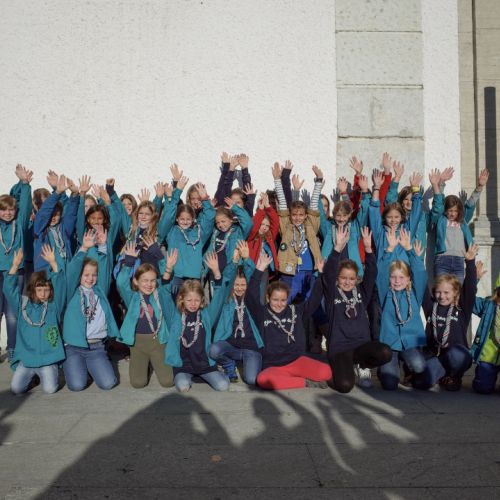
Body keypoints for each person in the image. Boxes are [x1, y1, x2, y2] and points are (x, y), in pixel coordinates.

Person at [245, 252, 332, 390]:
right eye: (275, 300)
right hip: (273, 365)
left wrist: (321, 275)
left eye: (283, 300)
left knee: (326, 372)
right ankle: (304, 382)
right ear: (268, 298)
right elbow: (250, 296)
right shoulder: (262, 313)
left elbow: (314, 300)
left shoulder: (296, 311)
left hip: (296, 361)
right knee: (263, 380)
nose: (279, 304)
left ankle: (288, 379)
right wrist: (259, 269)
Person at [322, 225, 392, 393]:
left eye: (351, 278)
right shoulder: (332, 294)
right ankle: (334, 370)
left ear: (356, 279)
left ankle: (362, 365)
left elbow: (371, 274)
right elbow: (328, 274)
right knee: (345, 386)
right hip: (340, 349)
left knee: (385, 352)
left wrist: (368, 250)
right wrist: (337, 249)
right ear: (337, 279)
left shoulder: (361, 293)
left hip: (361, 346)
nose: (347, 282)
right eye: (343, 278)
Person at [162, 249, 237, 392]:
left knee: (223, 386)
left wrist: (216, 273)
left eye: (196, 300)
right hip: (184, 366)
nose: (193, 304)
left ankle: (217, 373)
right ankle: (188, 378)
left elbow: (219, 297)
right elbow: (164, 295)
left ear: (202, 300)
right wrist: (168, 269)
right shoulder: (175, 315)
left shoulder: (206, 315)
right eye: (189, 300)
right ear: (182, 299)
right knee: (183, 386)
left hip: (204, 365)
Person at [417, 245, 479, 391]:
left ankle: (454, 376)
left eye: (446, 292)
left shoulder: (461, 309)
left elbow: (470, 289)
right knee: (421, 384)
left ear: (455, 293)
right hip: (437, 356)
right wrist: (417, 261)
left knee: (456, 355)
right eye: (438, 292)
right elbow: (421, 285)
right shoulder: (431, 306)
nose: (442, 296)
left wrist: (470, 263)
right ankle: (442, 374)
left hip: (457, 355)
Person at [4, 246, 65, 394]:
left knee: (50, 389)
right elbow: (9, 290)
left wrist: (53, 263)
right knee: (16, 389)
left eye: (46, 290)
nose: (43, 294)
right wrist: (14, 266)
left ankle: (50, 372)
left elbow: (61, 286)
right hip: (27, 360)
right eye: (39, 290)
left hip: (47, 360)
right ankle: (32, 378)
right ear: (32, 290)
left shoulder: (53, 306)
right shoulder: (23, 305)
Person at [62, 229, 118, 391]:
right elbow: (72, 271)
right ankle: (77, 366)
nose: (90, 278)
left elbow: (105, 268)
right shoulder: (72, 292)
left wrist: (103, 246)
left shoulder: (100, 291)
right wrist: (84, 248)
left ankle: (91, 366)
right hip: (74, 348)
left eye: (94, 275)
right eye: (86, 275)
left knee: (108, 383)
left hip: (96, 347)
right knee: (77, 386)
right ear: (79, 276)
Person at [116, 241, 173, 389]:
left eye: (152, 280)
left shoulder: (160, 293)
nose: (149, 284)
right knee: (138, 383)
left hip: (158, 342)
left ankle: (154, 362)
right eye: (145, 281)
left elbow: (167, 279)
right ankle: (144, 365)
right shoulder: (133, 297)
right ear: (136, 281)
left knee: (168, 382)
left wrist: (159, 256)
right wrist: (129, 262)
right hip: (138, 344)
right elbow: (121, 283)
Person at [377, 227, 428, 390]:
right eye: (393, 277)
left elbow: (420, 273)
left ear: (408, 280)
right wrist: (389, 250)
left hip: (410, 342)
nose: (397, 281)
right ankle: (385, 368)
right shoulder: (385, 293)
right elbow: (381, 273)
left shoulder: (414, 294)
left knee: (419, 365)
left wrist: (409, 250)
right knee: (389, 384)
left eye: (401, 277)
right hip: (390, 343)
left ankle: (409, 369)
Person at [210, 241, 263, 385]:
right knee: (214, 350)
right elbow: (226, 279)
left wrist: (246, 259)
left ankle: (251, 361)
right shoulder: (227, 301)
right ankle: (229, 364)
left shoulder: (252, 300)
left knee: (251, 380)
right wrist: (234, 262)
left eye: (243, 285)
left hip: (251, 347)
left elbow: (253, 280)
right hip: (231, 345)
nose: (239, 288)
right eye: (237, 285)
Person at [431, 168, 489, 283]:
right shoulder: (441, 220)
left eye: (455, 211)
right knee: (441, 289)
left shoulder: (462, 221)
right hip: (442, 260)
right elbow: (438, 204)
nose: (453, 214)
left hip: (459, 262)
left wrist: (479, 187)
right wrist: (440, 184)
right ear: (445, 210)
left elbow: (470, 204)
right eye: (450, 210)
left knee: (458, 291)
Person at [470, 272, 500, 394]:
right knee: (482, 387)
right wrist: (474, 279)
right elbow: (468, 300)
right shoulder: (489, 305)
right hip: (488, 357)